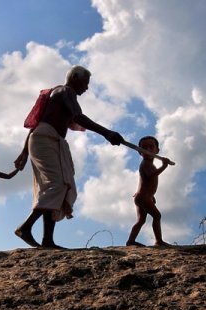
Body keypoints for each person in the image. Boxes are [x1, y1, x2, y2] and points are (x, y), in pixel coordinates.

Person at [14, 65, 124, 249]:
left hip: (48, 140)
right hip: (44, 139)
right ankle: (25, 228)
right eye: (85, 83)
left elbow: (37, 123)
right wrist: (107, 133)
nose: (87, 88)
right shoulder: (66, 91)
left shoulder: (58, 93)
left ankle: (47, 240)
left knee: (60, 185)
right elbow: (78, 116)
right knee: (57, 184)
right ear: (74, 77)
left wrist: (24, 152)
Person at [126, 136, 171, 247]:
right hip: (143, 197)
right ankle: (158, 241)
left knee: (141, 220)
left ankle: (131, 241)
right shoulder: (146, 163)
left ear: (157, 150)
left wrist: (151, 196)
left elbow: (146, 183)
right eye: (144, 147)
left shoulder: (150, 164)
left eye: (151, 147)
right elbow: (151, 176)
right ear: (140, 152)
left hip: (143, 196)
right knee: (157, 216)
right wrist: (164, 166)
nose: (148, 150)